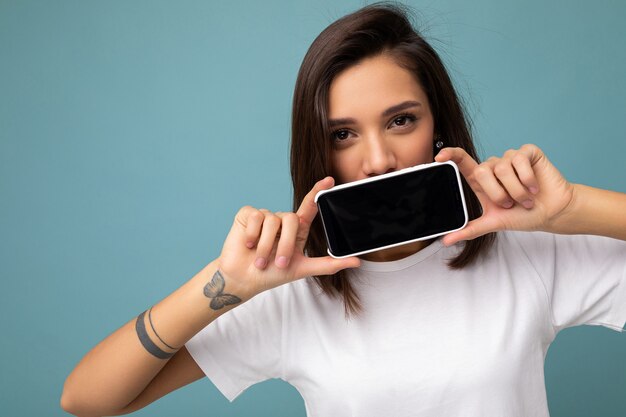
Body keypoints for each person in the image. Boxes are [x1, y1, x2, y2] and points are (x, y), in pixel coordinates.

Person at [61, 3, 626, 416]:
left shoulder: (525, 254)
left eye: (401, 120)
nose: (378, 160)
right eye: (343, 134)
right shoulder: (287, 293)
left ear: (439, 127)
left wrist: (574, 207)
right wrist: (223, 285)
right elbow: (86, 398)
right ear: (317, 149)